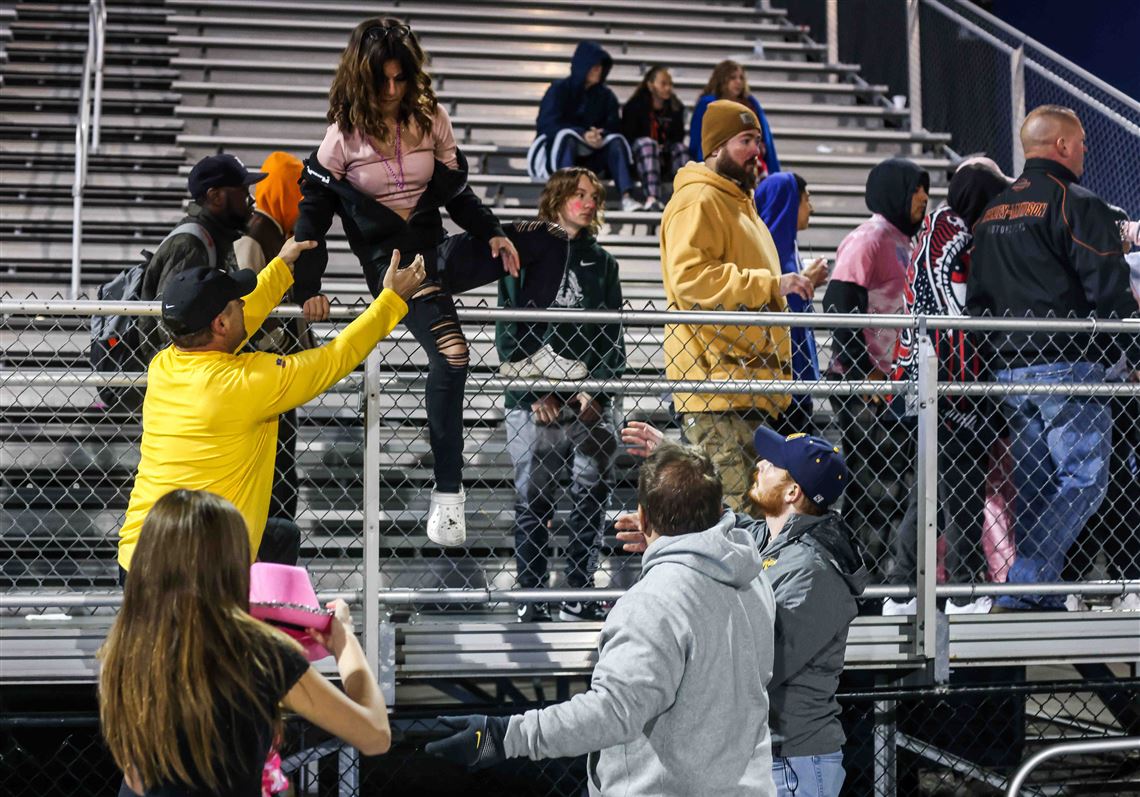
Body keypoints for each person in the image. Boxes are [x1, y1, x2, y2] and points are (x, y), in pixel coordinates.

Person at [291, 18, 574, 547]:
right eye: (383, 81)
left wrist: (491, 233)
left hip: (438, 254)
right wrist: (307, 287)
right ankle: (448, 498)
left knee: (548, 237)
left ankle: (527, 355)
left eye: (401, 79)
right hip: (397, 270)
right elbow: (312, 221)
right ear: (361, 77)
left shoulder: (430, 119)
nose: (394, 91)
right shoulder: (341, 136)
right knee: (454, 353)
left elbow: (457, 195)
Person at [424, 444, 779, 797]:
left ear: (642, 518)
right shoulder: (752, 577)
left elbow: (614, 713)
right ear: (717, 510)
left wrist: (503, 736)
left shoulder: (653, 601)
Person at [116, 239, 425, 581]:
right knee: (276, 546)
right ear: (219, 324)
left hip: (138, 556)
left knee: (280, 537)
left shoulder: (165, 364)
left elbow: (238, 320)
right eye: (237, 303)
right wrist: (392, 302)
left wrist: (281, 267)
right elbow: (335, 357)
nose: (243, 306)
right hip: (198, 573)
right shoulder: (250, 381)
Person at [617, 422, 867, 797]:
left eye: (772, 465)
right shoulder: (771, 538)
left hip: (793, 762)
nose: (760, 465)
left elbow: (762, 665)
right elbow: (724, 524)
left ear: (793, 492)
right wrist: (668, 516)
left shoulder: (813, 570)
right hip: (768, 757)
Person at [101, 489, 390, 797]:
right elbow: (375, 735)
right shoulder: (257, 654)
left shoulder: (124, 651)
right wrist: (344, 641)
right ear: (231, 563)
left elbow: (135, 778)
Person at [966, 105, 1139, 611]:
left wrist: (990, 362)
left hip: (1007, 371)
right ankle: (1024, 584)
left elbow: (978, 301)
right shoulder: (1076, 203)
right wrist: (1132, 349)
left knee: (1038, 488)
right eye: (1081, 142)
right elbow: (1109, 291)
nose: (1086, 151)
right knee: (1086, 478)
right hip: (1067, 366)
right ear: (1061, 145)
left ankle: (1033, 591)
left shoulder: (993, 210)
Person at [660, 99, 825, 511]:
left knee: (752, 518)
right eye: (745, 140)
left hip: (747, 390)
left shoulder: (739, 204)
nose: (757, 150)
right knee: (737, 519)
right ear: (715, 147)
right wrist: (772, 284)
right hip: (716, 390)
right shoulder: (698, 200)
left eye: (757, 140)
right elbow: (690, 280)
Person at [882, 157, 1012, 615]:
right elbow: (963, 317)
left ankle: (900, 589)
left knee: (931, 489)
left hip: (927, 377)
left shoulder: (936, 228)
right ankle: (961, 590)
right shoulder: (956, 239)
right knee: (959, 488)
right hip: (950, 382)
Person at [497, 168, 626, 622]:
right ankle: (532, 596)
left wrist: (598, 392)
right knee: (535, 495)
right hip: (533, 401)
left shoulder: (603, 263)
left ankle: (579, 589)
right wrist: (535, 393)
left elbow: (614, 340)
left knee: (593, 490)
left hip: (589, 398)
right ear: (555, 199)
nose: (589, 203)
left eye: (594, 195)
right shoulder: (525, 256)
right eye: (579, 194)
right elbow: (508, 333)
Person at [821, 157, 929, 562]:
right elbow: (839, 301)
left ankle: (887, 581)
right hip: (867, 387)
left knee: (897, 492)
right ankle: (862, 582)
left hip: (896, 382)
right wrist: (861, 370)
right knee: (871, 492)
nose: (923, 198)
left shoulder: (908, 241)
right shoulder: (870, 236)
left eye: (926, 190)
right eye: (917, 188)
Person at [234, 151, 314, 557]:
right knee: (277, 482)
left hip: (275, 381)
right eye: (297, 194)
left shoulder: (276, 236)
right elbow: (252, 313)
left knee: (282, 479)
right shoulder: (253, 237)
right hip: (265, 382)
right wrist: (291, 354)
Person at [136, 154, 267, 365]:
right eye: (243, 192)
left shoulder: (214, 237)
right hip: (184, 379)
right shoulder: (191, 244)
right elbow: (172, 322)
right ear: (215, 196)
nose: (251, 201)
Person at [527, 40, 640, 212]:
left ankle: (627, 197)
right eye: (594, 66)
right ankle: (567, 196)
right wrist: (581, 133)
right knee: (567, 138)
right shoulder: (559, 89)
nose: (598, 70)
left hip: (593, 155)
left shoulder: (606, 95)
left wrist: (598, 134)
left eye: (600, 67)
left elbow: (614, 125)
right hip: (562, 153)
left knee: (616, 141)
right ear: (583, 66)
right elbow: (547, 124)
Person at [755, 172, 828, 432]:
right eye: (806, 200)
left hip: (794, 379)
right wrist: (801, 283)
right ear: (788, 203)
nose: (812, 208)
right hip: (777, 381)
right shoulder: (766, 254)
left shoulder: (788, 248)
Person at [688, 60, 779, 177]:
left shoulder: (750, 103)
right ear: (722, 80)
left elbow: (764, 135)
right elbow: (699, 137)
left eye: (741, 78)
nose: (738, 82)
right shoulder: (708, 104)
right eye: (733, 78)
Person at [620, 65, 687, 211]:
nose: (668, 88)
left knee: (681, 149)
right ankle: (653, 198)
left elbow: (678, 138)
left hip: (665, 159)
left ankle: (683, 198)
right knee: (648, 144)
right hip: (640, 160)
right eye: (663, 84)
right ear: (650, 85)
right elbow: (628, 138)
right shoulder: (634, 107)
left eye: (670, 84)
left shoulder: (676, 107)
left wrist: (665, 146)